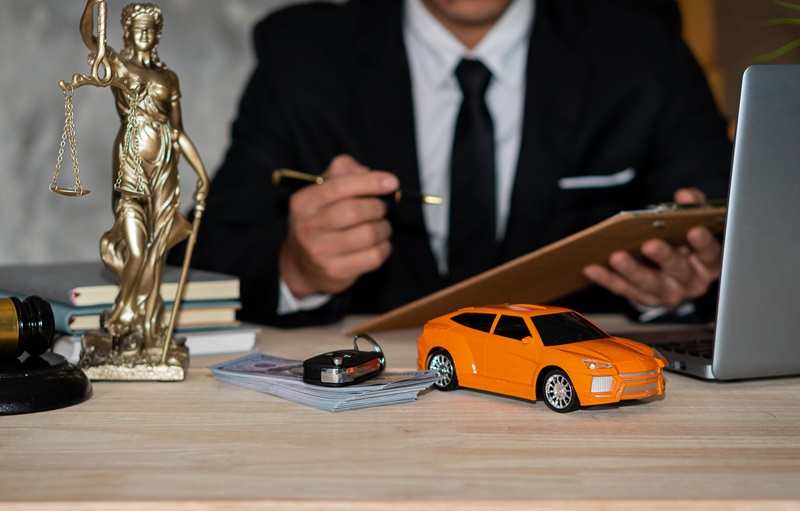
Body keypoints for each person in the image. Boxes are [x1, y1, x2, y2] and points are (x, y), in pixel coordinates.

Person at [184, 0, 732, 328]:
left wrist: (682, 286)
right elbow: (205, 252)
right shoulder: (303, 54)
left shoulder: (644, 44)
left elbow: (736, 234)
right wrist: (297, 269)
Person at [72, 1, 210, 348]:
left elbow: (177, 132)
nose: (145, 33)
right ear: (128, 32)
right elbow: (89, 37)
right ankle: (124, 314)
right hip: (132, 166)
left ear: (158, 33)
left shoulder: (169, 77)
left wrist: (202, 174)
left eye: (151, 27)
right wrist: (93, 3)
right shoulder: (119, 65)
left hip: (165, 169)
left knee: (156, 249)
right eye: (138, 28)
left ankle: (147, 323)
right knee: (136, 250)